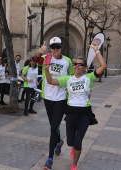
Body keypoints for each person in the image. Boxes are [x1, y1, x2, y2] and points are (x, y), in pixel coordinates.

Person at [44, 42, 106, 170]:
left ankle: (74, 164)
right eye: (76, 64)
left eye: (81, 64)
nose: (77, 66)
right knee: (70, 142)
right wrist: (45, 69)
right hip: (71, 113)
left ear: (85, 67)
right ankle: (73, 148)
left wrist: (96, 51)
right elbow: (50, 81)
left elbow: (103, 66)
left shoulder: (89, 78)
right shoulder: (68, 79)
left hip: (84, 114)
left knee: (78, 142)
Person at [34, 37, 74, 170]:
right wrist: (39, 52)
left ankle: (49, 159)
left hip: (61, 98)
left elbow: (72, 79)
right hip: (48, 97)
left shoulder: (67, 61)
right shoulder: (47, 57)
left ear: (62, 47)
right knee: (53, 125)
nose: (55, 50)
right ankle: (58, 141)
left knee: (53, 127)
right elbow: (35, 60)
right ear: (50, 48)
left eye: (58, 47)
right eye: (53, 47)